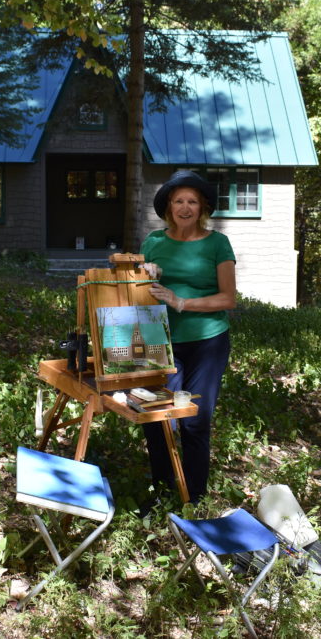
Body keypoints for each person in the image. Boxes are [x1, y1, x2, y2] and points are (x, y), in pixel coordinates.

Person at [139, 169, 236, 507]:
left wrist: (182, 302)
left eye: (192, 201)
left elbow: (229, 298)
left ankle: (194, 496)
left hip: (207, 342)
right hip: (160, 341)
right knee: (157, 418)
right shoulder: (154, 242)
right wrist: (142, 272)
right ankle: (162, 489)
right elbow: (136, 287)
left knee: (194, 419)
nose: (185, 207)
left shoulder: (217, 243)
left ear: (202, 207)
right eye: (178, 200)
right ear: (168, 206)